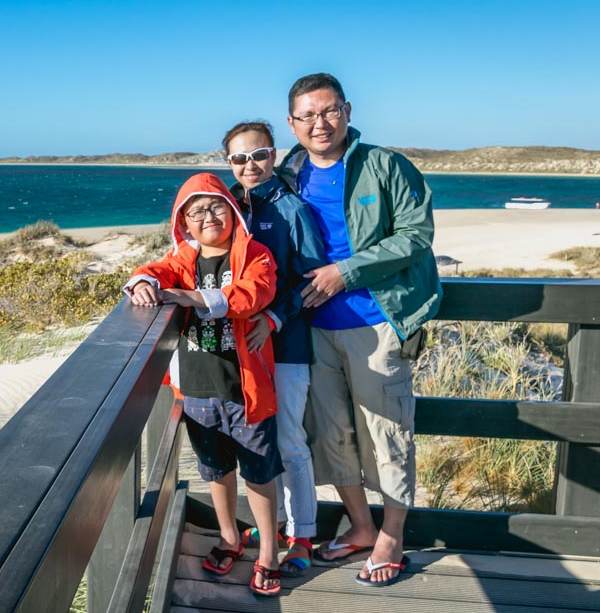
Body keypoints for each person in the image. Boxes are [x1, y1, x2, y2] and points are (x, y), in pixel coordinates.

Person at [278, 73, 441, 586]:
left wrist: (343, 273)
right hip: (314, 330)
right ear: (292, 123)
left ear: (346, 111)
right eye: (307, 115)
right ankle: (362, 526)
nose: (319, 123)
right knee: (333, 435)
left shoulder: (385, 165)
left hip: (377, 323)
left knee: (387, 431)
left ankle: (393, 534)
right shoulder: (288, 171)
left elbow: (416, 235)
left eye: (328, 111)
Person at [124, 172, 284, 596]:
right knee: (215, 471)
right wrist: (144, 282)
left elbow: (255, 292)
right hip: (197, 389)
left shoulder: (254, 254)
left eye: (215, 206)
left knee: (259, 472)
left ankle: (268, 550)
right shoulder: (183, 260)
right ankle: (230, 536)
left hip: (246, 389)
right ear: (184, 223)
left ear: (232, 212)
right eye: (195, 212)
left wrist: (192, 298)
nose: (207, 217)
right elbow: (155, 270)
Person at [223, 120, 327, 576]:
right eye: (240, 158)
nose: (250, 165)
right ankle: (276, 525)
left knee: (288, 441)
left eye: (260, 155)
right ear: (228, 162)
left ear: (273, 154)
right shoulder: (226, 205)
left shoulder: (292, 210)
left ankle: (302, 534)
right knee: (257, 443)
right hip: (240, 349)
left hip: (284, 345)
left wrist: (273, 318)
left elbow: (313, 282)